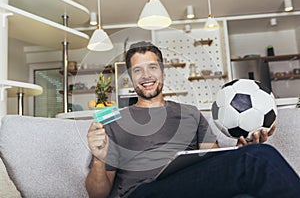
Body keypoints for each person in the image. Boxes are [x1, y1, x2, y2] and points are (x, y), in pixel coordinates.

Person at [85, 41, 300, 198]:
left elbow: (214, 164)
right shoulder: (114, 122)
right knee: (258, 157)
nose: (146, 76)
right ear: (131, 78)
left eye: (152, 67)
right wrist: (99, 159)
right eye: (137, 70)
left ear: (163, 72)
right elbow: (97, 195)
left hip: (189, 186)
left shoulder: (190, 113)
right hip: (142, 192)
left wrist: (243, 149)